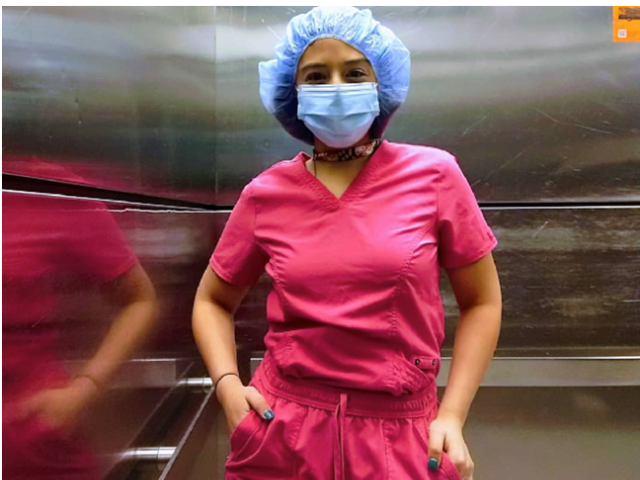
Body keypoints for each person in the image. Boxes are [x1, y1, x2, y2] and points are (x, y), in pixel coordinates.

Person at [193, 6, 501, 480]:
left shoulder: (435, 175)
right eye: (316, 77)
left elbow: (481, 301)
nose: (336, 88)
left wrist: (453, 417)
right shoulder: (265, 194)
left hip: (402, 436)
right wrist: (229, 386)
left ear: (381, 85)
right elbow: (212, 300)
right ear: (292, 94)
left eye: (354, 72)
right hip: (283, 431)